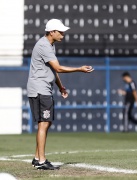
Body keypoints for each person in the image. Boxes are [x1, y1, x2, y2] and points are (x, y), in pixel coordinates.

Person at [27, 19, 94, 170]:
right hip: (40, 89)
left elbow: (52, 71)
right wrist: (79, 69)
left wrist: (61, 87)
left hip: (43, 88)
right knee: (43, 123)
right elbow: (58, 68)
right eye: (61, 31)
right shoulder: (44, 46)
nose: (63, 34)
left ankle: (37, 157)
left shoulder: (48, 45)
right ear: (52, 32)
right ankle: (41, 162)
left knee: (46, 122)